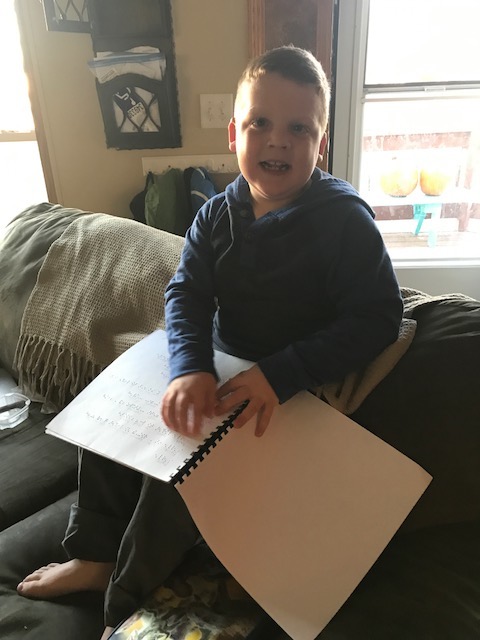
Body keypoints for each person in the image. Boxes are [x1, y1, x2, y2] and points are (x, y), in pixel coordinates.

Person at [17, 46, 403, 640]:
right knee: (112, 416)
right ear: (234, 132)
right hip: (221, 369)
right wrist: (188, 367)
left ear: (320, 144)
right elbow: (186, 296)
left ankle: (128, 590)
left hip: (295, 385)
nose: (278, 141)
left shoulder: (344, 221)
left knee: (178, 464)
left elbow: (378, 316)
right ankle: (93, 553)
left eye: (299, 128)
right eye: (260, 124)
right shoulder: (214, 215)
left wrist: (281, 373)